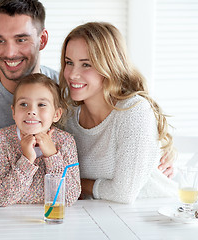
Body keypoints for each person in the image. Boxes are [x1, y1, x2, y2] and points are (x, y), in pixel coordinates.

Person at [0, 0, 174, 239]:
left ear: (42, 40)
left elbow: (125, 129)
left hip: (104, 214)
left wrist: (163, 148)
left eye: (21, 39)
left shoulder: (65, 91)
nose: (9, 52)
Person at [59, 22, 177, 204]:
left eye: (86, 64)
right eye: (69, 62)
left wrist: (77, 183)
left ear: (109, 67)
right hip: (98, 214)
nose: (73, 74)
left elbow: (123, 193)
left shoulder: (133, 111)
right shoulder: (67, 115)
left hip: (154, 213)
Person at [0, 73, 80, 207]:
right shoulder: (0, 139)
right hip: (6, 219)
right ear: (13, 112)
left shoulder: (65, 141)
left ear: (56, 114)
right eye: (23, 104)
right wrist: (26, 159)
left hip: (49, 218)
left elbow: (69, 198)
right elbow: (1, 198)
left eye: (41, 104)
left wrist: (52, 156)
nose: (31, 111)